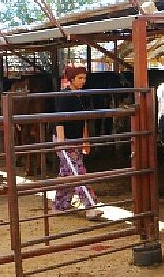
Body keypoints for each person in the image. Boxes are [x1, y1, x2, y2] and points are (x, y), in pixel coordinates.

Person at [52, 66, 103, 221]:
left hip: (76, 139)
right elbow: (59, 120)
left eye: (84, 78)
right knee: (78, 172)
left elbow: (83, 120)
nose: (83, 81)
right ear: (72, 79)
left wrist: (85, 140)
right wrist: (61, 143)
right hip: (65, 139)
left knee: (67, 173)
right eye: (80, 78)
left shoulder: (81, 96)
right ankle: (90, 206)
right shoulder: (64, 96)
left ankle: (59, 206)